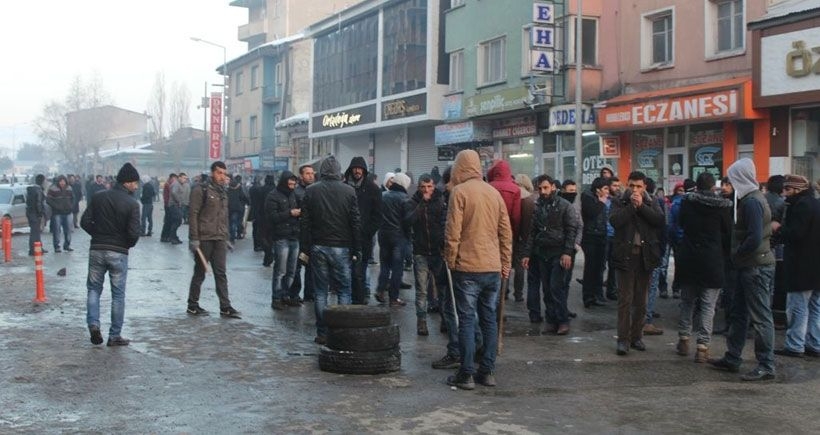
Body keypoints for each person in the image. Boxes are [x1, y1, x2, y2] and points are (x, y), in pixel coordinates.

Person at [444, 150, 513, 390]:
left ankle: (466, 373)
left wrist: (450, 261)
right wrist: (506, 263)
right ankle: (488, 372)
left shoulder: (459, 192)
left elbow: (453, 232)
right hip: (492, 268)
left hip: (468, 268)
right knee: (489, 320)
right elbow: (506, 231)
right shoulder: (494, 193)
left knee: (466, 320)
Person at [709, 158, 777, 381]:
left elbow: (755, 237)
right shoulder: (750, 198)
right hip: (748, 266)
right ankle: (732, 357)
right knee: (739, 313)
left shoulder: (751, 202)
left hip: (755, 267)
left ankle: (766, 364)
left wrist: (737, 254)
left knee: (760, 317)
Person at [301, 156, 362, 344]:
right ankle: (341, 332)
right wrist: (357, 248)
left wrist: (305, 248)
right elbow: (355, 222)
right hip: (342, 246)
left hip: (318, 245)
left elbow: (305, 223)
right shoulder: (349, 191)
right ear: (339, 171)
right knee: (344, 290)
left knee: (321, 292)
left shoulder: (311, 191)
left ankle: (322, 332)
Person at [81, 163, 141, 346]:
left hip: (97, 249)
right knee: (118, 295)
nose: (137, 186)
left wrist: (97, 235)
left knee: (93, 289)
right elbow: (133, 233)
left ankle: (93, 324)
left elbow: (84, 222)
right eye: (135, 183)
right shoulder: (132, 204)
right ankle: (114, 335)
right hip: (119, 252)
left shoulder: (99, 197)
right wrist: (125, 244)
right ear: (128, 183)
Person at [675, 172, 732, 362]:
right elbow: (728, 232)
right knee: (708, 305)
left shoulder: (687, 202)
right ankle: (702, 346)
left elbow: (681, 223)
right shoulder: (723, 207)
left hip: (689, 257)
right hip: (712, 259)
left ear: (697, 187)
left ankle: (684, 339)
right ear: (713, 187)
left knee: (687, 301)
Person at [610, 171, 665, 356]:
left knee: (641, 301)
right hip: (625, 255)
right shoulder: (620, 201)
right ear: (627, 184)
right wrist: (632, 207)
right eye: (632, 185)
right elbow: (615, 221)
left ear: (645, 187)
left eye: (639, 186)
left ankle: (637, 337)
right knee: (625, 300)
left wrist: (641, 207)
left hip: (645, 257)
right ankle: (623, 340)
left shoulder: (652, 201)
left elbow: (659, 221)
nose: (635, 189)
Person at [521, 174, 579, 335]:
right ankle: (551, 320)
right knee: (547, 288)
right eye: (540, 188)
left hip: (558, 252)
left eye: (545, 187)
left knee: (556, 287)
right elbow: (533, 232)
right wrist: (527, 253)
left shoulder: (564, 205)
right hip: (542, 252)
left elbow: (571, 230)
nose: (543, 191)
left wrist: (567, 252)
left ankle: (562, 320)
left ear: (553, 187)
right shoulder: (538, 205)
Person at [186, 161, 241, 319]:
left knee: (221, 273)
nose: (222, 176)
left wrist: (226, 237)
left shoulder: (223, 192)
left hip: (219, 238)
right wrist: (194, 238)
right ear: (212, 173)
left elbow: (223, 217)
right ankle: (192, 305)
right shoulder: (200, 190)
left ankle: (225, 307)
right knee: (200, 272)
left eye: (224, 173)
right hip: (204, 238)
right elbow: (193, 214)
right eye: (219, 173)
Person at [774, 174, 820, 358]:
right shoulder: (816, 204)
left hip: (801, 265)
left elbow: (796, 234)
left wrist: (779, 229)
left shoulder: (800, 207)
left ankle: (795, 345)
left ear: (797, 190)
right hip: (817, 266)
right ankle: (815, 343)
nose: (784, 193)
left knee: (797, 306)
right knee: (816, 307)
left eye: (787, 189)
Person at [407, 173, 447, 336]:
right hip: (421, 252)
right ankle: (421, 322)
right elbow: (408, 221)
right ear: (418, 188)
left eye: (429, 186)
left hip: (438, 252)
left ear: (434, 186)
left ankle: (445, 320)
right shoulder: (413, 202)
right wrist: (422, 203)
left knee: (442, 289)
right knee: (422, 290)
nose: (427, 190)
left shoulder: (441, 201)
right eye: (423, 187)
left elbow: (445, 223)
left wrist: (444, 244)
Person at [344, 157, 382, 305]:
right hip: (344, 238)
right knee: (345, 272)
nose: (357, 171)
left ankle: (358, 302)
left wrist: (366, 233)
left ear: (364, 170)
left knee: (359, 272)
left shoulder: (373, 189)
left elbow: (378, 215)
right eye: (355, 168)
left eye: (360, 168)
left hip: (363, 239)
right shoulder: (344, 186)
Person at [266, 171, 301, 310]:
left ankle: (286, 294)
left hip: (294, 236)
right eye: (290, 183)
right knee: (280, 270)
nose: (292, 186)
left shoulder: (294, 195)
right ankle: (277, 297)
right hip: (281, 237)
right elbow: (271, 217)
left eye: (294, 183)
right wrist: (290, 213)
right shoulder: (273, 196)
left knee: (292, 270)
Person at [375, 172, 412, 306]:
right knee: (397, 268)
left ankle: (380, 290)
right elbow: (407, 221)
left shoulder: (383, 196)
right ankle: (393, 297)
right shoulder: (405, 199)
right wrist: (408, 237)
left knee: (385, 265)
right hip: (398, 236)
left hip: (383, 234)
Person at [580, 177, 610, 307]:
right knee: (591, 267)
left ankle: (597, 294)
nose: (607, 191)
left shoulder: (606, 199)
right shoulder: (588, 197)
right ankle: (588, 296)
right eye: (605, 189)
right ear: (598, 190)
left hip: (602, 235)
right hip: (590, 237)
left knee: (599, 267)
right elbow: (592, 213)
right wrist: (601, 202)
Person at [290, 164, 316, 300]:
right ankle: (294, 294)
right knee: (297, 265)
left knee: (312, 265)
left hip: (313, 234)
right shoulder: (296, 192)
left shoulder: (317, 190)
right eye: (307, 173)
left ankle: (309, 294)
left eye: (312, 173)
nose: (311, 176)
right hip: (299, 233)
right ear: (301, 176)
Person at [512, 174, 534, 302]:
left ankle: (504, 291)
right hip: (522, 236)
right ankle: (518, 293)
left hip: (511, 234)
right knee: (520, 265)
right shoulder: (529, 199)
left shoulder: (512, 194)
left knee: (507, 264)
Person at [46, 175, 74, 253]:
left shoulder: (69, 188)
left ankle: (67, 245)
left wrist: (71, 206)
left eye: (63, 181)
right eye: (61, 181)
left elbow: (72, 198)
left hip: (68, 212)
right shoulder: (53, 188)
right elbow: (48, 200)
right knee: (57, 230)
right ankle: (57, 246)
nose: (62, 183)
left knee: (68, 230)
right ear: (58, 181)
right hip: (57, 213)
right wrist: (56, 206)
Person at [26, 174, 47, 256]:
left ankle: (38, 248)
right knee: (35, 233)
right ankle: (34, 250)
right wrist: (40, 213)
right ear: (42, 181)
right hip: (35, 214)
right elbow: (38, 203)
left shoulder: (32, 189)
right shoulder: (38, 190)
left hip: (30, 213)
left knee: (34, 232)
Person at [227, 175, 249, 243]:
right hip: (237, 208)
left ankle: (232, 236)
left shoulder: (228, 189)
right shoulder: (239, 188)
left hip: (229, 208)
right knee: (236, 222)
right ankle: (236, 235)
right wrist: (248, 202)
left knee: (231, 222)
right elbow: (243, 197)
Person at [159, 173, 178, 243]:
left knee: (169, 221)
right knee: (168, 222)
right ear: (170, 178)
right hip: (168, 205)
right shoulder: (168, 185)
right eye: (174, 179)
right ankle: (164, 237)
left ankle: (166, 236)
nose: (174, 180)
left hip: (168, 205)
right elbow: (170, 195)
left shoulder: (169, 184)